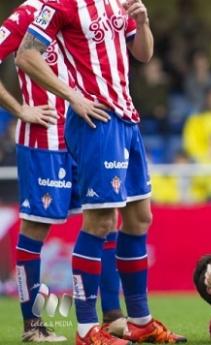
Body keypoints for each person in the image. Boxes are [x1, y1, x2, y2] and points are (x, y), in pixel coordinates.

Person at [15, 0, 185, 344]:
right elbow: (25, 55)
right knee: (101, 223)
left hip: (127, 119)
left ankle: (140, 320)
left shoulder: (119, 2)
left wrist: (143, 22)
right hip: (97, 122)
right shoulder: (61, 4)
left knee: (140, 217)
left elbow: (144, 54)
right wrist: (72, 96)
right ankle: (86, 329)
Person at [0, 1, 125, 342]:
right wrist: (20, 109)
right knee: (36, 229)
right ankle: (33, 326)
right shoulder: (26, 14)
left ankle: (113, 318)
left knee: (106, 219)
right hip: (45, 140)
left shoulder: (84, 10)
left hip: (87, 134)